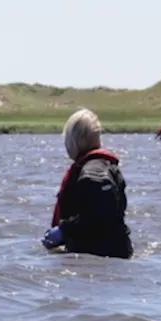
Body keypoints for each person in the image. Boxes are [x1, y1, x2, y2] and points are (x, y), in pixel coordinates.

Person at [42, 108, 133, 258]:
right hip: (113, 250)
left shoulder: (93, 170)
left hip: (100, 252)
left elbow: (100, 212)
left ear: (75, 139)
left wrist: (64, 230)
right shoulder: (101, 165)